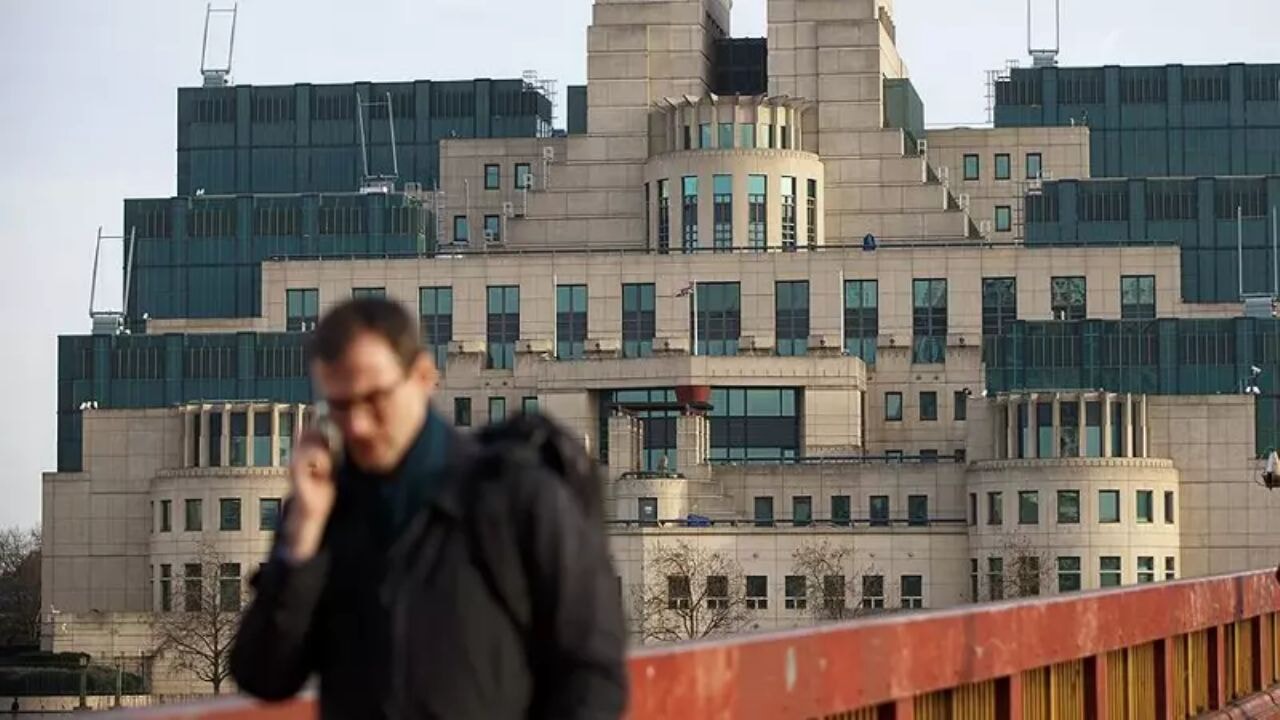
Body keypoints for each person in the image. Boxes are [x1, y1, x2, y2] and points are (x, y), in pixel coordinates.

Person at [231, 298, 627, 719]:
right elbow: (264, 675)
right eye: (341, 406)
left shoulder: (515, 496)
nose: (358, 425)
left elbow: (593, 674)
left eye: (374, 399)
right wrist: (301, 542)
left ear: (423, 376)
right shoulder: (324, 510)